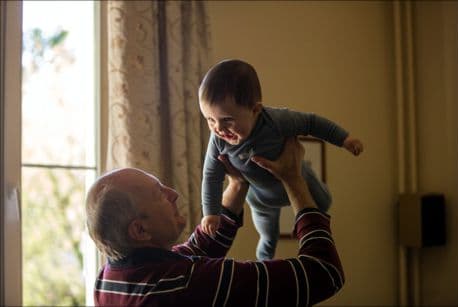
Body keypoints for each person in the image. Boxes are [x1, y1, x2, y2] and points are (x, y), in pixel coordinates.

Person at [86, 137, 345, 306]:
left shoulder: (109, 279)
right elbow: (323, 273)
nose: (173, 194)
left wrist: (237, 184)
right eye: (159, 195)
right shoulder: (190, 283)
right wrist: (294, 180)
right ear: (140, 230)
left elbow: (195, 250)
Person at [199, 59, 363, 260]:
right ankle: (265, 261)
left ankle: (303, 226)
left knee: (324, 202)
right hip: (260, 198)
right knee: (268, 235)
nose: (219, 129)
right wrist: (211, 213)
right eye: (210, 120)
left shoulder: (276, 121)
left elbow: (311, 123)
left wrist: (344, 139)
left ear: (255, 110)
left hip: (298, 176)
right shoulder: (218, 140)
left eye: (227, 120)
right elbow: (211, 176)